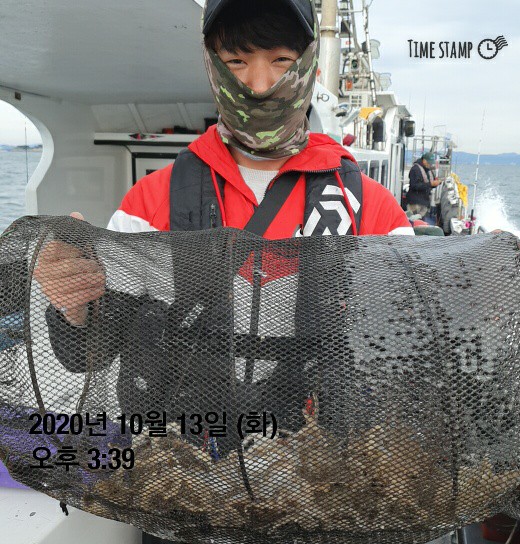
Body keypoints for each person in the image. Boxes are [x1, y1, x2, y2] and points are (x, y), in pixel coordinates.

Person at [34, 1, 414, 541]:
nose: (259, 84)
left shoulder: (373, 210)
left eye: (281, 60)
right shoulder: (149, 204)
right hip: (182, 485)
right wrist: (72, 303)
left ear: (308, 64)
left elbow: (400, 358)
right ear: (212, 65)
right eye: (237, 61)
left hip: (318, 486)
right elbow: (88, 354)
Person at [405, 151, 442, 222]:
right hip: (415, 203)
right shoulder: (415, 169)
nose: (430, 165)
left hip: (424, 202)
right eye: (429, 163)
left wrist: (436, 183)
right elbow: (414, 186)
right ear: (424, 160)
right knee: (413, 222)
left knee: (421, 222)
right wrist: (431, 184)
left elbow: (429, 184)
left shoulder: (428, 170)